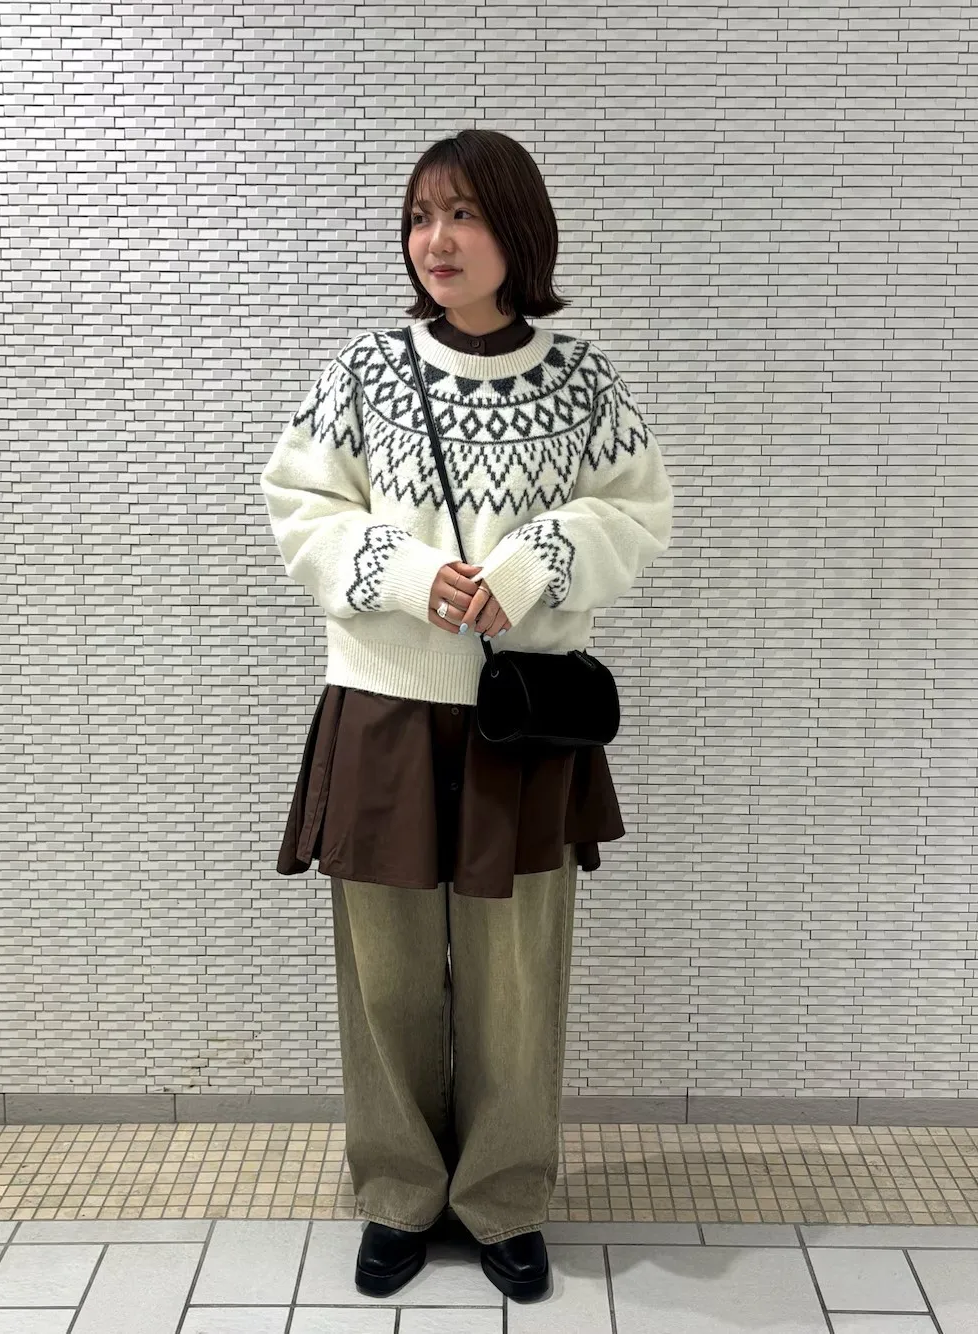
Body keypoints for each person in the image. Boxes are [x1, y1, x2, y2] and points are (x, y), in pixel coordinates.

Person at [259, 128, 674, 1304]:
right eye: (419, 216)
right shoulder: (366, 369)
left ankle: (502, 1196)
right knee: (384, 969)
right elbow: (297, 500)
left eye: (463, 214)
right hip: (383, 708)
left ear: (517, 230)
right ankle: (398, 1190)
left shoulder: (580, 375)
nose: (434, 239)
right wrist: (401, 570)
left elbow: (637, 507)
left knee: (515, 974)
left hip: (521, 719)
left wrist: (537, 558)